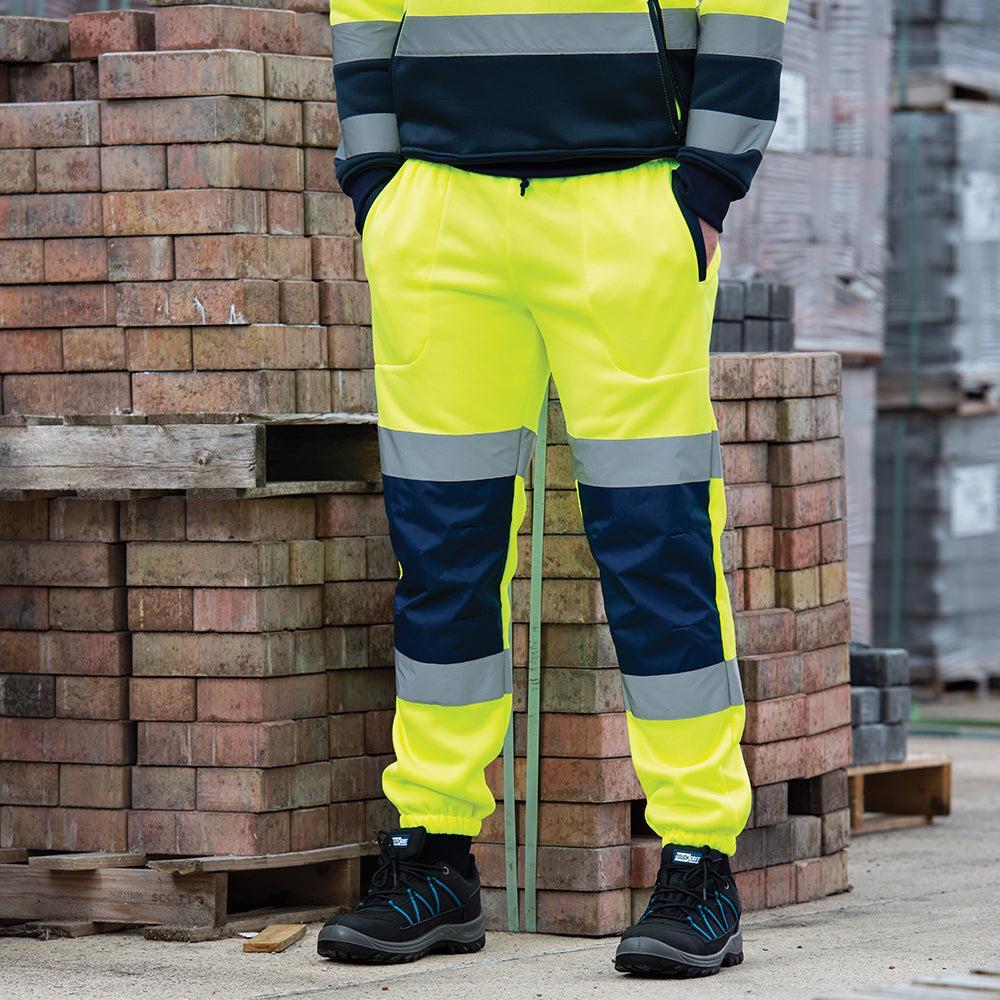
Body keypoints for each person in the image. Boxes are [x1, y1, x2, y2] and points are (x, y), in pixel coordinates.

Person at [318, 0, 788, 978]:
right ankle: (432, 851)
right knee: (441, 543)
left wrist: (707, 181)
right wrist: (376, 181)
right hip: (438, 209)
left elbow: (746, 11)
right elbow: (363, 11)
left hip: (628, 201)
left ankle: (698, 856)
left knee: (656, 533)